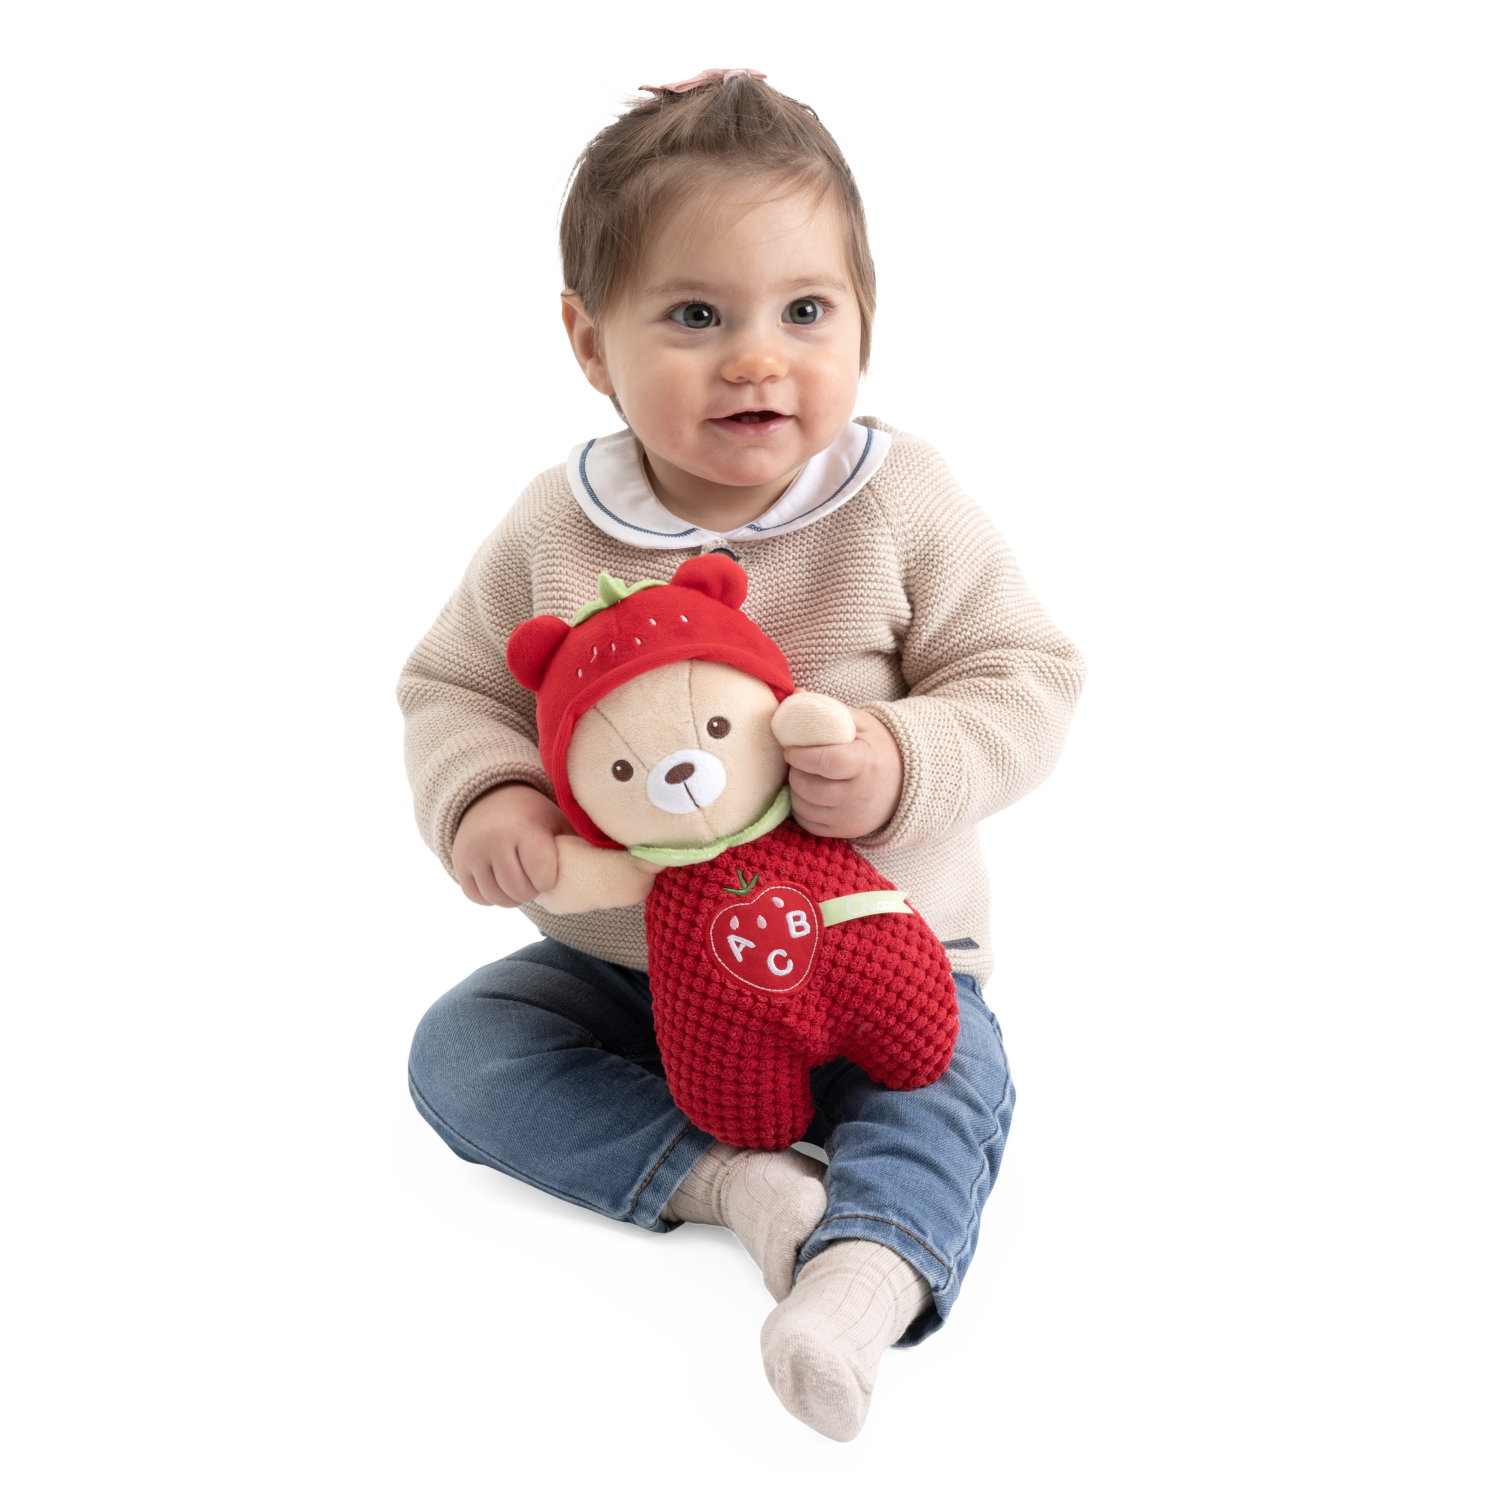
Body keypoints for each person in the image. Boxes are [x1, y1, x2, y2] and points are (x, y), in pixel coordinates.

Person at [400, 68, 1086, 1442]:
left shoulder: (899, 503)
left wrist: (902, 758)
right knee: (463, 1051)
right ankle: (731, 1182)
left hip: (879, 956)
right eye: (697, 316)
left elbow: (1026, 674)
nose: (757, 358)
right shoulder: (556, 528)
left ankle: (857, 1281)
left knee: (949, 1085)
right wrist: (490, 795)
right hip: (641, 977)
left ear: (866, 320)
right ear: (590, 343)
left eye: (805, 312)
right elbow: (454, 685)